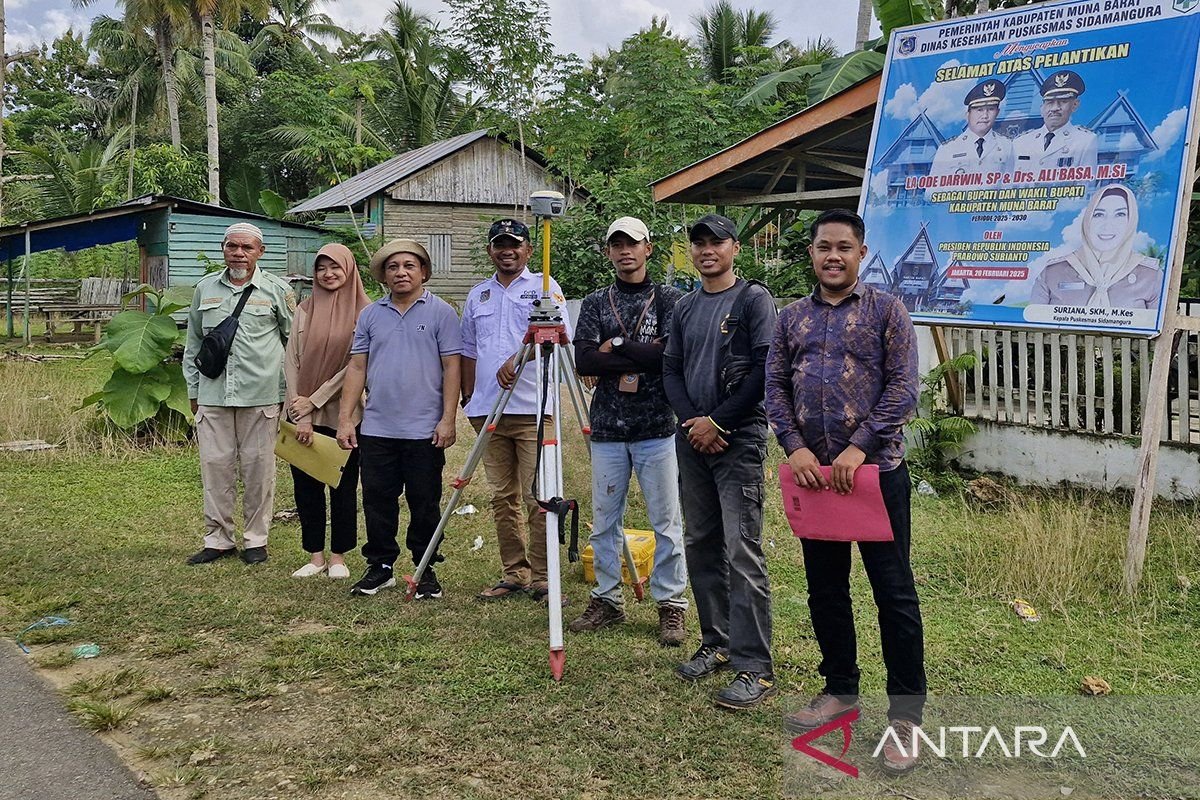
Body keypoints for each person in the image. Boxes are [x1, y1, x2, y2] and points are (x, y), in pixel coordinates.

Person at [764, 208, 924, 774]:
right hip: (814, 476)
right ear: (811, 253)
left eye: (844, 247)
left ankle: (905, 719)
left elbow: (904, 387)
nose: (833, 256)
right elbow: (775, 387)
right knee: (825, 591)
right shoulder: (790, 319)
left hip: (874, 476)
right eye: (823, 247)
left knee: (894, 595)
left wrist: (859, 448)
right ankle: (840, 690)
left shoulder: (888, 311)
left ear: (860, 253)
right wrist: (795, 447)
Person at [662, 213, 778, 710]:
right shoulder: (686, 306)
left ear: (735, 248)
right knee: (700, 541)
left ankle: (754, 666)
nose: (708, 250)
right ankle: (716, 642)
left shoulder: (754, 300)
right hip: (692, 439)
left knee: (741, 548)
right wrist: (693, 422)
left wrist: (720, 423)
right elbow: (671, 369)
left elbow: (764, 370)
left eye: (718, 242)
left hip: (739, 439)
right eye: (699, 243)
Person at [569, 216, 689, 646]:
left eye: (632, 244)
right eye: (617, 245)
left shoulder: (673, 300)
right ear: (608, 252)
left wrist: (616, 347)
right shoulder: (597, 302)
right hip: (607, 427)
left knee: (666, 521)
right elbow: (584, 361)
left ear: (648, 248)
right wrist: (642, 354)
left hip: (657, 426)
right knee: (604, 521)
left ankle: (671, 604)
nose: (625, 251)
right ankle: (606, 598)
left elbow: (671, 357)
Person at [336, 239, 461, 599]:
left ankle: (424, 568)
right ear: (384, 276)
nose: (401, 272)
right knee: (377, 500)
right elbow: (357, 366)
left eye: (409, 265)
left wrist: (447, 419)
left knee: (425, 501)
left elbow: (451, 367)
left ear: (423, 272)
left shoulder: (441, 313)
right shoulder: (371, 314)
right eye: (393, 267)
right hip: (377, 427)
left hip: (424, 429)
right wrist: (346, 419)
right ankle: (381, 566)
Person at [460, 218, 572, 602]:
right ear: (490, 250)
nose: (507, 251)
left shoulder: (545, 287)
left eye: (515, 244)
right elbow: (468, 350)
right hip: (487, 409)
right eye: (499, 244)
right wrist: (468, 395)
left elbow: (557, 338)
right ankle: (515, 572)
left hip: (532, 408)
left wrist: (518, 358)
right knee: (501, 496)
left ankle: (543, 576)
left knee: (538, 495)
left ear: (527, 249)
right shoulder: (478, 295)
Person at [183, 222, 295, 565]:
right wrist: (193, 389)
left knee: (259, 470)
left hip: (261, 396)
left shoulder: (277, 290)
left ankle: (256, 540)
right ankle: (218, 540)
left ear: (260, 252)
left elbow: (295, 344)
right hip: (213, 395)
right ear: (223, 248)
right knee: (215, 469)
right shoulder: (205, 289)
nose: (239, 253)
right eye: (233, 246)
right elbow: (193, 345)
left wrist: (290, 394)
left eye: (247, 248)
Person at [283, 243, 371, 579]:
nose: (328, 274)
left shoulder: (365, 312)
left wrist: (315, 400)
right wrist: (300, 409)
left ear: (349, 269)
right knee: (306, 486)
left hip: (345, 414)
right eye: (321, 268)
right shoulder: (304, 309)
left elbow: (355, 365)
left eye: (335, 267)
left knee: (343, 486)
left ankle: (338, 557)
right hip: (302, 413)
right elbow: (291, 360)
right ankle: (315, 555)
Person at [1029, 184, 1161, 309]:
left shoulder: (1150, 275)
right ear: (1087, 221)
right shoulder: (1053, 272)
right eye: (1098, 214)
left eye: (1120, 214)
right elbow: (1033, 324)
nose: (1107, 225)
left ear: (1131, 221)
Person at [1012, 69, 1098, 174]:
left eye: (1063, 101)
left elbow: (1085, 186)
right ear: (1042, 107)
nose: (1055, 108)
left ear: (1075, 105)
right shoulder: (1021, 142)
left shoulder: (1085, 141)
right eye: (1050, 102)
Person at [928, 78, 1012, 180]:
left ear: (997, 112)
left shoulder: (1007, 146)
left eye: (990, 109)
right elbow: (933, 192)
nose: (985, 116)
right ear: (968, 114)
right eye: (979, 110)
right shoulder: (947, 149)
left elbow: (1011, 186)